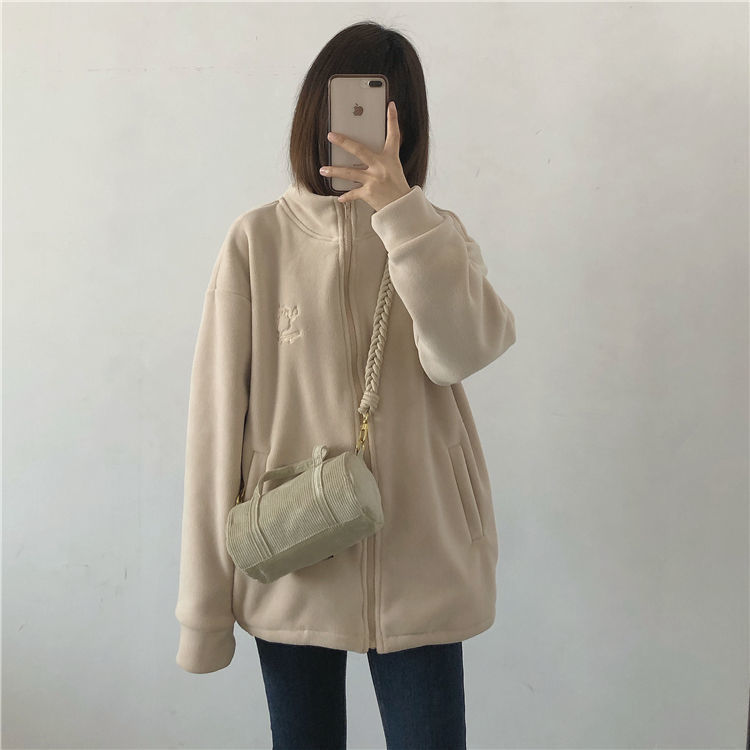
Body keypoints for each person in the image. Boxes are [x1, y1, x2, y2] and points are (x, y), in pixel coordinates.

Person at [175, 20, 516, 750]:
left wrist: (402, 217)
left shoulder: (434, 234)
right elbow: (214, 427)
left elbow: (463, 352)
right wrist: (202, 612)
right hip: (292, 555)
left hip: (423, 558)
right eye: (348, 108)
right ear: (317, 113)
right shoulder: (257, 242)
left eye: (383, 113)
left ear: (407, 127)